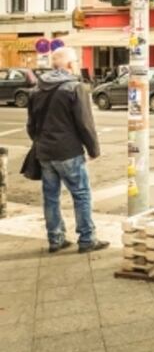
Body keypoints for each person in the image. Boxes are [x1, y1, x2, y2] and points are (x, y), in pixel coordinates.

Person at [27, 46, 107, 254]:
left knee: (50, 197)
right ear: (70, 65)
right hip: (68, 151)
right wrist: (94, 149)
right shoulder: (74, 88)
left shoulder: (37, 88)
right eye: (76, 62)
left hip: (44, 152)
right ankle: (87, 239)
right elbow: (85, 123)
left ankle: (55, 239)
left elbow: (31, 125)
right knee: (81, 194)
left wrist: (41, 142)